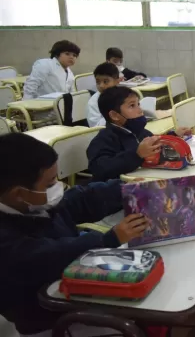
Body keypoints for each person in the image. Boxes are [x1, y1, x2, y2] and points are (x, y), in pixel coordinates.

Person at [0, 133, 148, 336]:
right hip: (48, 317)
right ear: (18, 193)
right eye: (50, 183)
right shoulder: (6, 239)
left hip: (77, 292)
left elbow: (80, 200)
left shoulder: (33, 203)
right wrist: (108, 239)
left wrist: (123, 191)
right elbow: (44, 256)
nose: (57, 186)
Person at [87, 86, 191, 182]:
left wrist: (174, 136)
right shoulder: (104, 139)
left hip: (148, 180)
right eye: (132, 106)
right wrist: (137, 154)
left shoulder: (139, 131)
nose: (140, 110)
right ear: (114, 115)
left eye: (138, 104)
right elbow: (100, 169)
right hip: (121, 193)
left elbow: (156, 143)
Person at [87, 62, 121, 127]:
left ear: (117, 81)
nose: (101, 85)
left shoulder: (123, 95)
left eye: (105, 81)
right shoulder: (93, 102)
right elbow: (95, 126)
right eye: (98, 82)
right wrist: (117, 117)